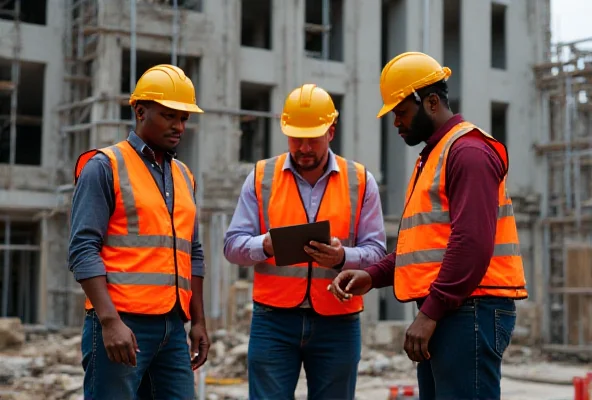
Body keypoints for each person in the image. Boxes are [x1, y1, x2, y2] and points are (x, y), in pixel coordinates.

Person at [328, 52, 528, 400]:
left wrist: (430, 312)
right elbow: (423, 246)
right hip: (456, 309)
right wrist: (372, 275)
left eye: (402, 112)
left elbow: (471, 244)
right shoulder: (436, 156)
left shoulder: (468, 153)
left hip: (470, 311)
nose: (396, 122)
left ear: (431, 102)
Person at [223, 83, 387, 400]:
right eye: (297, 138)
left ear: (331, 132)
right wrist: (265, 246)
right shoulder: (261, 177)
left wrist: (343, 257)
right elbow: (232, 246)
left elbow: (377, 253)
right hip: (273, 321)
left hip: (337, 321)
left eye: (313, 138)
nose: (304, 147)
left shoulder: (361, 181)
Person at [68, 64, 210, 400]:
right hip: (121, 324)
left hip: (173, 326)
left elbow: (194, 252)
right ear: (140, 111)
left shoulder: (184, 176)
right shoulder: (105, 166)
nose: (178, 126)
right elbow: (82, 249)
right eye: (169, 116)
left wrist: (199, 321)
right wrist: (109, 321)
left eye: (184, 118)